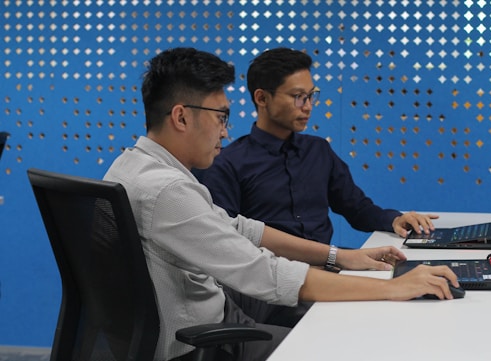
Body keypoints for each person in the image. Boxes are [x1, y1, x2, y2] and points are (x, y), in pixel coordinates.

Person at [104, 47, 459, 361]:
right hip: (205, 339)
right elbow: (263, 274)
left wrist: (339, 256)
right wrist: (393, 288)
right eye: (220, 117)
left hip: (213, 314)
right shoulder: (169, 190)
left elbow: (239, 227)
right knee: (342, 346)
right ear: (181, 117)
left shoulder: (133, 166)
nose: (225, 131)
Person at [200, 47, 438, 247]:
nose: (308, 106)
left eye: (311, 95)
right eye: (298, 96)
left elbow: (357, 209)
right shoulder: (227, 164)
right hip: (273, 283)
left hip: (329, 267)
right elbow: (229, 243)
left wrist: (395, 219)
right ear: (262, 98)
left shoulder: (318, 151)